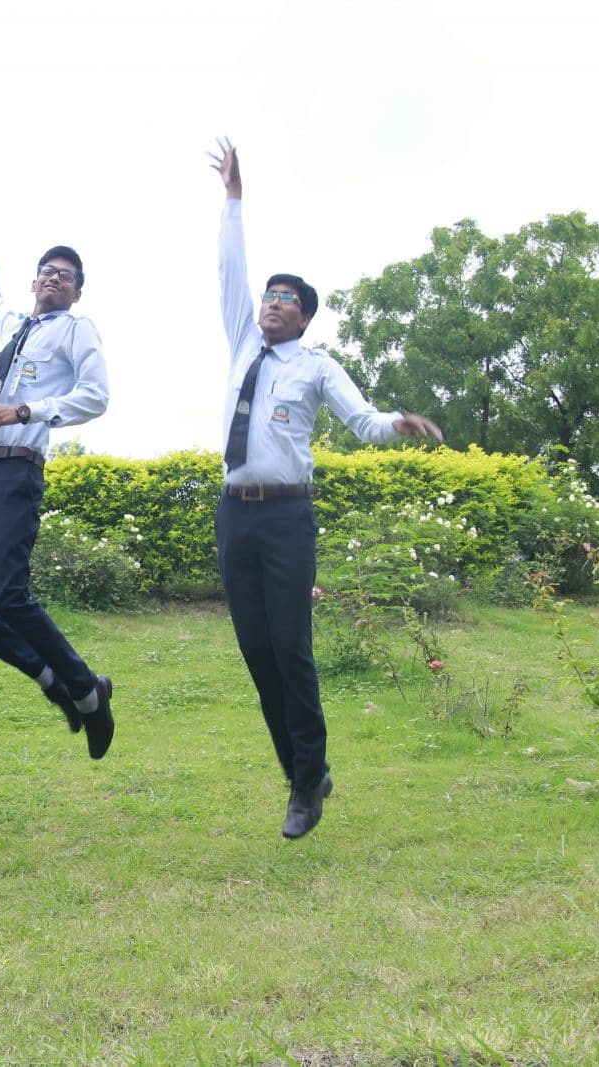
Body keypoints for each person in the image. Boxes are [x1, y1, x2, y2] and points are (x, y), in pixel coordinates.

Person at [209, 139, 443, 838]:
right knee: (256, 653)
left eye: (288, 300)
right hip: (233, 516)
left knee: (292, 649)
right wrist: (233, 201)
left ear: (305, 317)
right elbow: (230, 271)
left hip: (286, 518)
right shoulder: (242, 344)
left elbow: (362, 421)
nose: (273, 303)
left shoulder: (315, 365)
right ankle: (303, 776)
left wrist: (397, 421)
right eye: (269, 296)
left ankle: (305, 783)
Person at [0, 184, 115, 759]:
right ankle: (52, 682)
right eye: (46, 271)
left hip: (15, 471)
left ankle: (87, 692)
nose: (53, 278)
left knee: (10, 598)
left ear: (77, 289)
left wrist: (27, 410)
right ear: (34, 280)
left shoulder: (76, 330)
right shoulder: (14, 325)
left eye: (65, 274)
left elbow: (96, 396)